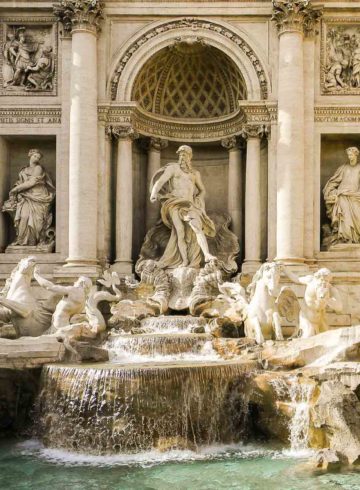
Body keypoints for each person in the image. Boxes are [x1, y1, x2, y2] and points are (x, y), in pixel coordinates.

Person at [149, 145, 216, 268]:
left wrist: (199, 199)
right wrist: (154, 193)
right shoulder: (173, 169)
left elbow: (202, 190)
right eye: (180, 154)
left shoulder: (195, 174)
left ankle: (207, 254)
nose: (182, 156)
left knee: (196, 226)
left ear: (190, 157)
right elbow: (161, 181)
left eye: (184, 154)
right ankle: (184, 261)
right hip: (174, 203)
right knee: (180, 232)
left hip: (189, 205)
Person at [2, 149, 55, 247]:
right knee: (24, 217)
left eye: (38, 157)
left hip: (38, 195)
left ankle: (35, 241)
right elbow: (20, 182)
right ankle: (21, 240)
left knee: (37, 222)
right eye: (35, 156)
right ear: (30, 155)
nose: (36, 158)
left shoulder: (38, 168)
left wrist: (15, 189)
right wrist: (16, 189)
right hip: (25, 196)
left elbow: (32, 182)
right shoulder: (23, 170)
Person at [323, 146, 360, 244]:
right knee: (344, 216)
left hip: (356, 196)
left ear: (356, 155)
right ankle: (345, 238)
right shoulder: (343, 168)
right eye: (348, 155)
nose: (350, 157)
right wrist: (331, 192)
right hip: (342, 196)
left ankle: (356, 238)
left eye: (351, 155)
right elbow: (333, 182)